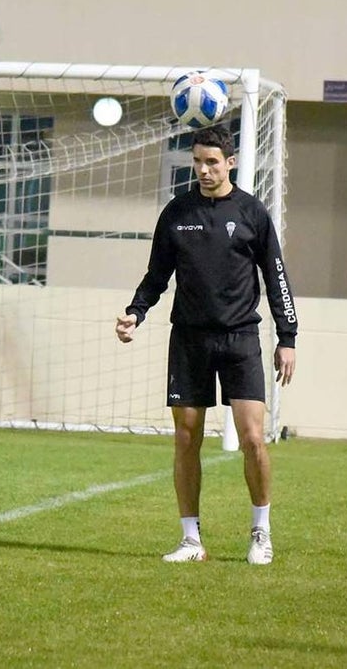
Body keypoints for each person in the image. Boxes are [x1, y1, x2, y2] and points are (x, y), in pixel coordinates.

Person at [115, 124, 297, 566]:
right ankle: (191, 540)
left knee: (253, 437)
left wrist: (287, 338)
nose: (203, 169)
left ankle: (261, 532)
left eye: (211, 162)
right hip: (189, 340)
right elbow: (157, 275)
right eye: (197, 161)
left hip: (241, 340)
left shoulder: (252, 213)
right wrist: (135, 313)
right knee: (185, 438)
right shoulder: (177, 212)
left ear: (229, 162)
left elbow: (276, 279)